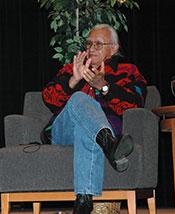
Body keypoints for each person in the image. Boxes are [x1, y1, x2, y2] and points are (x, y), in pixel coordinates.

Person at [41, 24, 147, 214]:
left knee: (87, 131)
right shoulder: (71, 68)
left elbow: (135, 103)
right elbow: (48, 97)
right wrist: (73, 80)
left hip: (92, 132)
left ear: (113, 48)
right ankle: (109, 144)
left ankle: (83, 202)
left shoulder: (128, 71)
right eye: (89, 44)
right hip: (63, 132)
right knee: (79, 98)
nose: (91, 48)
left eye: (98, 44)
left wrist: (104, 87)